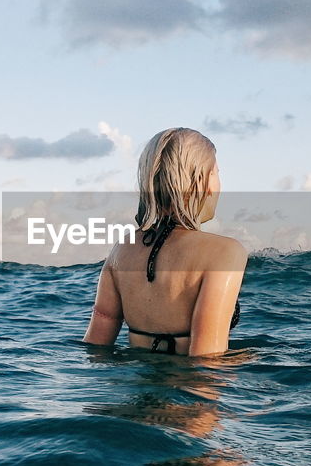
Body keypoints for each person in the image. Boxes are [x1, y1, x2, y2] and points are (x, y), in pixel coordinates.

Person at [83, 127, 246, 357]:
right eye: (217, 172)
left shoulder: (122, 250)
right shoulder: (225, 252)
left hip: (134, 387)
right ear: (203, 181)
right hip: (187, 388)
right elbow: (207, 360)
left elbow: (96, 348)